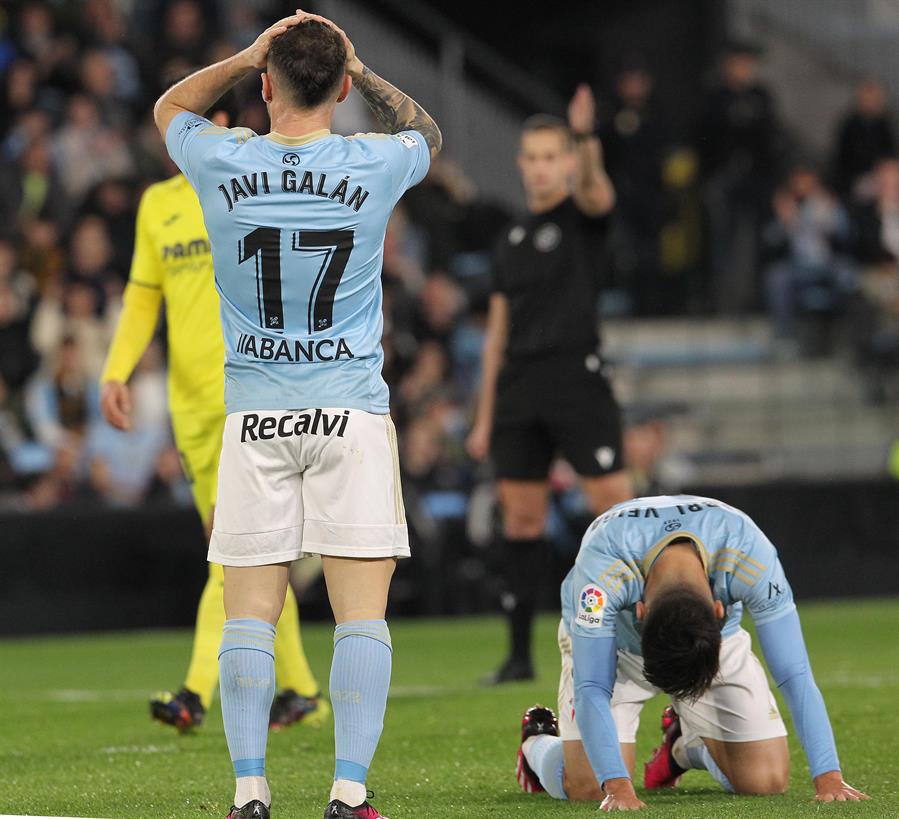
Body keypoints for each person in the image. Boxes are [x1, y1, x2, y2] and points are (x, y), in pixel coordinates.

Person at [153, 10, 441, 819]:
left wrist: (244, 56)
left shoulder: (220, 157)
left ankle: (250, 793)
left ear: (265, 85)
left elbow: (168, 109)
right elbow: (430, 133)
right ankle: (347, 793)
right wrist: (362, 65)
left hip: (254, 419)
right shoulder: (375, 160)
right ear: (343, 87)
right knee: (360, 616)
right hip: (348, 415)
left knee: (248, 615)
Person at [99, 95, 327, 734]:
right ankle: (303, 690)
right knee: (248, 548)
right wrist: (116, 369)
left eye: (199, 123)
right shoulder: (158, 205)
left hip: (249, 394)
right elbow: (144, 296)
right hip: (190, 407)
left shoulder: (249, 187)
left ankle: (195, 692)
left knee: (235, 549)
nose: (186, 135)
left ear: (227, 128)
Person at [514, 495, 869, 811]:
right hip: (613, 646)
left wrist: (829, 775)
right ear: (638, 611)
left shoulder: (748, 551)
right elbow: (592, 686)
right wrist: (617, 785)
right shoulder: (601, 576)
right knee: (589, 787)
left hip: (708, 644)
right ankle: (539, 743)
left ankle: (684, 746)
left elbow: (794, 674)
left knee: (766, 781)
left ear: (720, 610)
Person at [466, 87, 633, 684]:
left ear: (565, 160)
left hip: (575, 376)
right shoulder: (509, 240)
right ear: (521, 163)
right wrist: (484, 417)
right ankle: (517, 655)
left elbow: (597, 190)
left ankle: (637, 636)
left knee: (612, 506)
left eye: (549, 156)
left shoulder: (584, 218)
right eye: (531, 157)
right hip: (519, 387)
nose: (539, 167)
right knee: (521, 523)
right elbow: (496, 336)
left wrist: (588, 138)